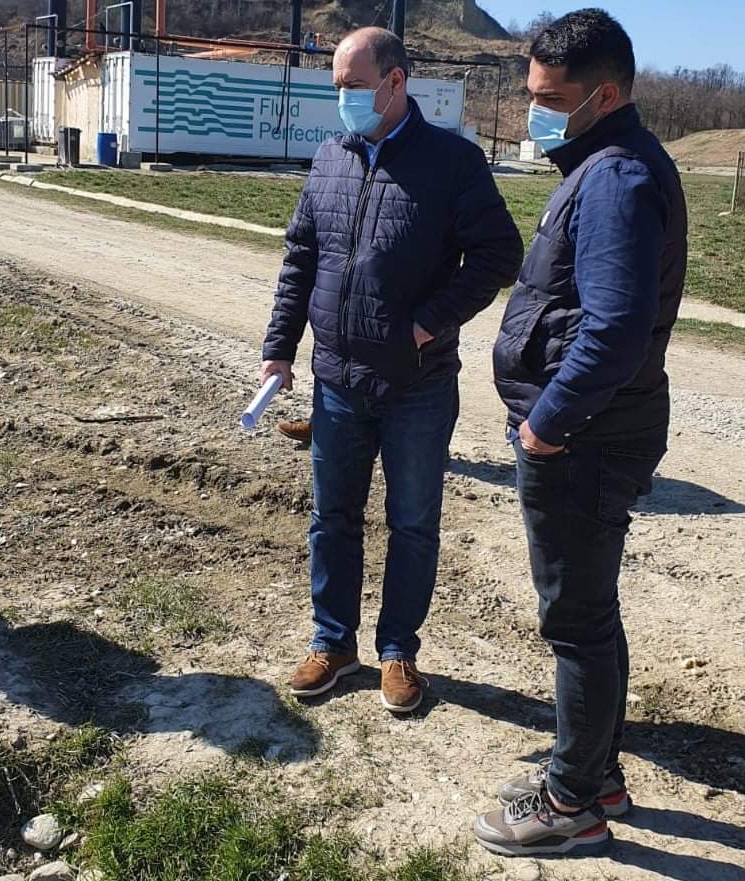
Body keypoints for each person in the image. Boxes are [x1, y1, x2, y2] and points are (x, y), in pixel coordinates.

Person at [261, 27, 523, 712]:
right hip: (338, 381)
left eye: (353, 85)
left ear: (395, 81)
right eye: (337, 86)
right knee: (332, 518)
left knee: (411, 523)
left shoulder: (452, 162)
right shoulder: (330, 158)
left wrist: (427, 321)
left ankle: (398, 651)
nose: (342, 97)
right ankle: (332, 643)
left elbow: (498, 253)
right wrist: (279, 348)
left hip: (417, 385)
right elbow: (299, 258)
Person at [476, 9, 688, 856]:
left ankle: (570, 805)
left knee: (575, 623)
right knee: (590, 613)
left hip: (583, 437)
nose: (536, 112)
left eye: (551, 100)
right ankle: (593, 774)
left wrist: (546, 425)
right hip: (594, 430)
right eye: (532, 94)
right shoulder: (604, 162)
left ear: (604, 95)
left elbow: (613, 329)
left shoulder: (615, 179)